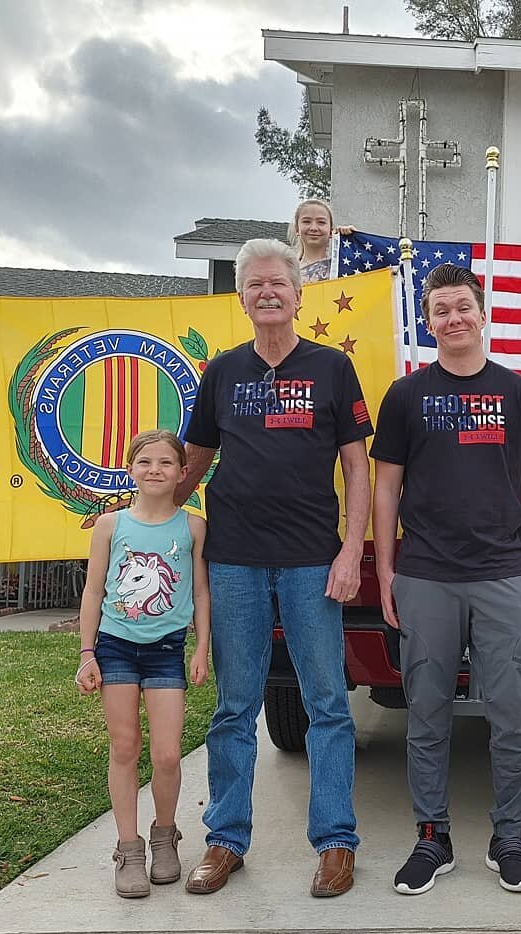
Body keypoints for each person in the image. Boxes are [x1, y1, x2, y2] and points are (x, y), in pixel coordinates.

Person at [177, 237, 372, 899]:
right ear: (242, 297)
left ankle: (336, 844)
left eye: (278, 284)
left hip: (312, 562)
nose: (267, 293)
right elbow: (195, 459)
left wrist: (352, 550)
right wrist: (148, 519)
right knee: (235, 708)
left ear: (297, 294)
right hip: (234, 561)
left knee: (327, 706)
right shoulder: (223, 373)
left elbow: (356, 467)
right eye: (255, 284)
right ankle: (225, 840)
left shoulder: (333, 370)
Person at [371, 262, 521, 895]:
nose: (452, 319)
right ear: (427, 323)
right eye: (440, 311)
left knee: (513, 715)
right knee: (426, 713)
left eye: (462, 308)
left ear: (483, 315)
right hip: (426, 575)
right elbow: (386, 487)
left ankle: (508, 835)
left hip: (505, 573)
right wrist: (388, 572)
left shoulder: (520, 395)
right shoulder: (406, 397)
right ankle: (433, 837)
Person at [76, 430, 210, 899]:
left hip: (166, 647)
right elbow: (94, 591)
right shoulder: (110, 526)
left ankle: (165, 833)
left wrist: (201, 646)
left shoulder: (192, 526)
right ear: (131, 469)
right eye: (145, 462)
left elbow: (199, 591)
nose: (155, 470)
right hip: (115, 646)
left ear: (182, 472)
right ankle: (129, 848)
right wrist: (86, 653)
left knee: (168, 753)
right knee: (125, 746)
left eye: (166, 463)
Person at [287, 198, 354, 284]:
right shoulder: (288, 271)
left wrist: (354, 239)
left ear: (331, 230)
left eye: (321, 222)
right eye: (307, 221)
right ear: (297, 229)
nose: (314, 228)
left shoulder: (342, 267)